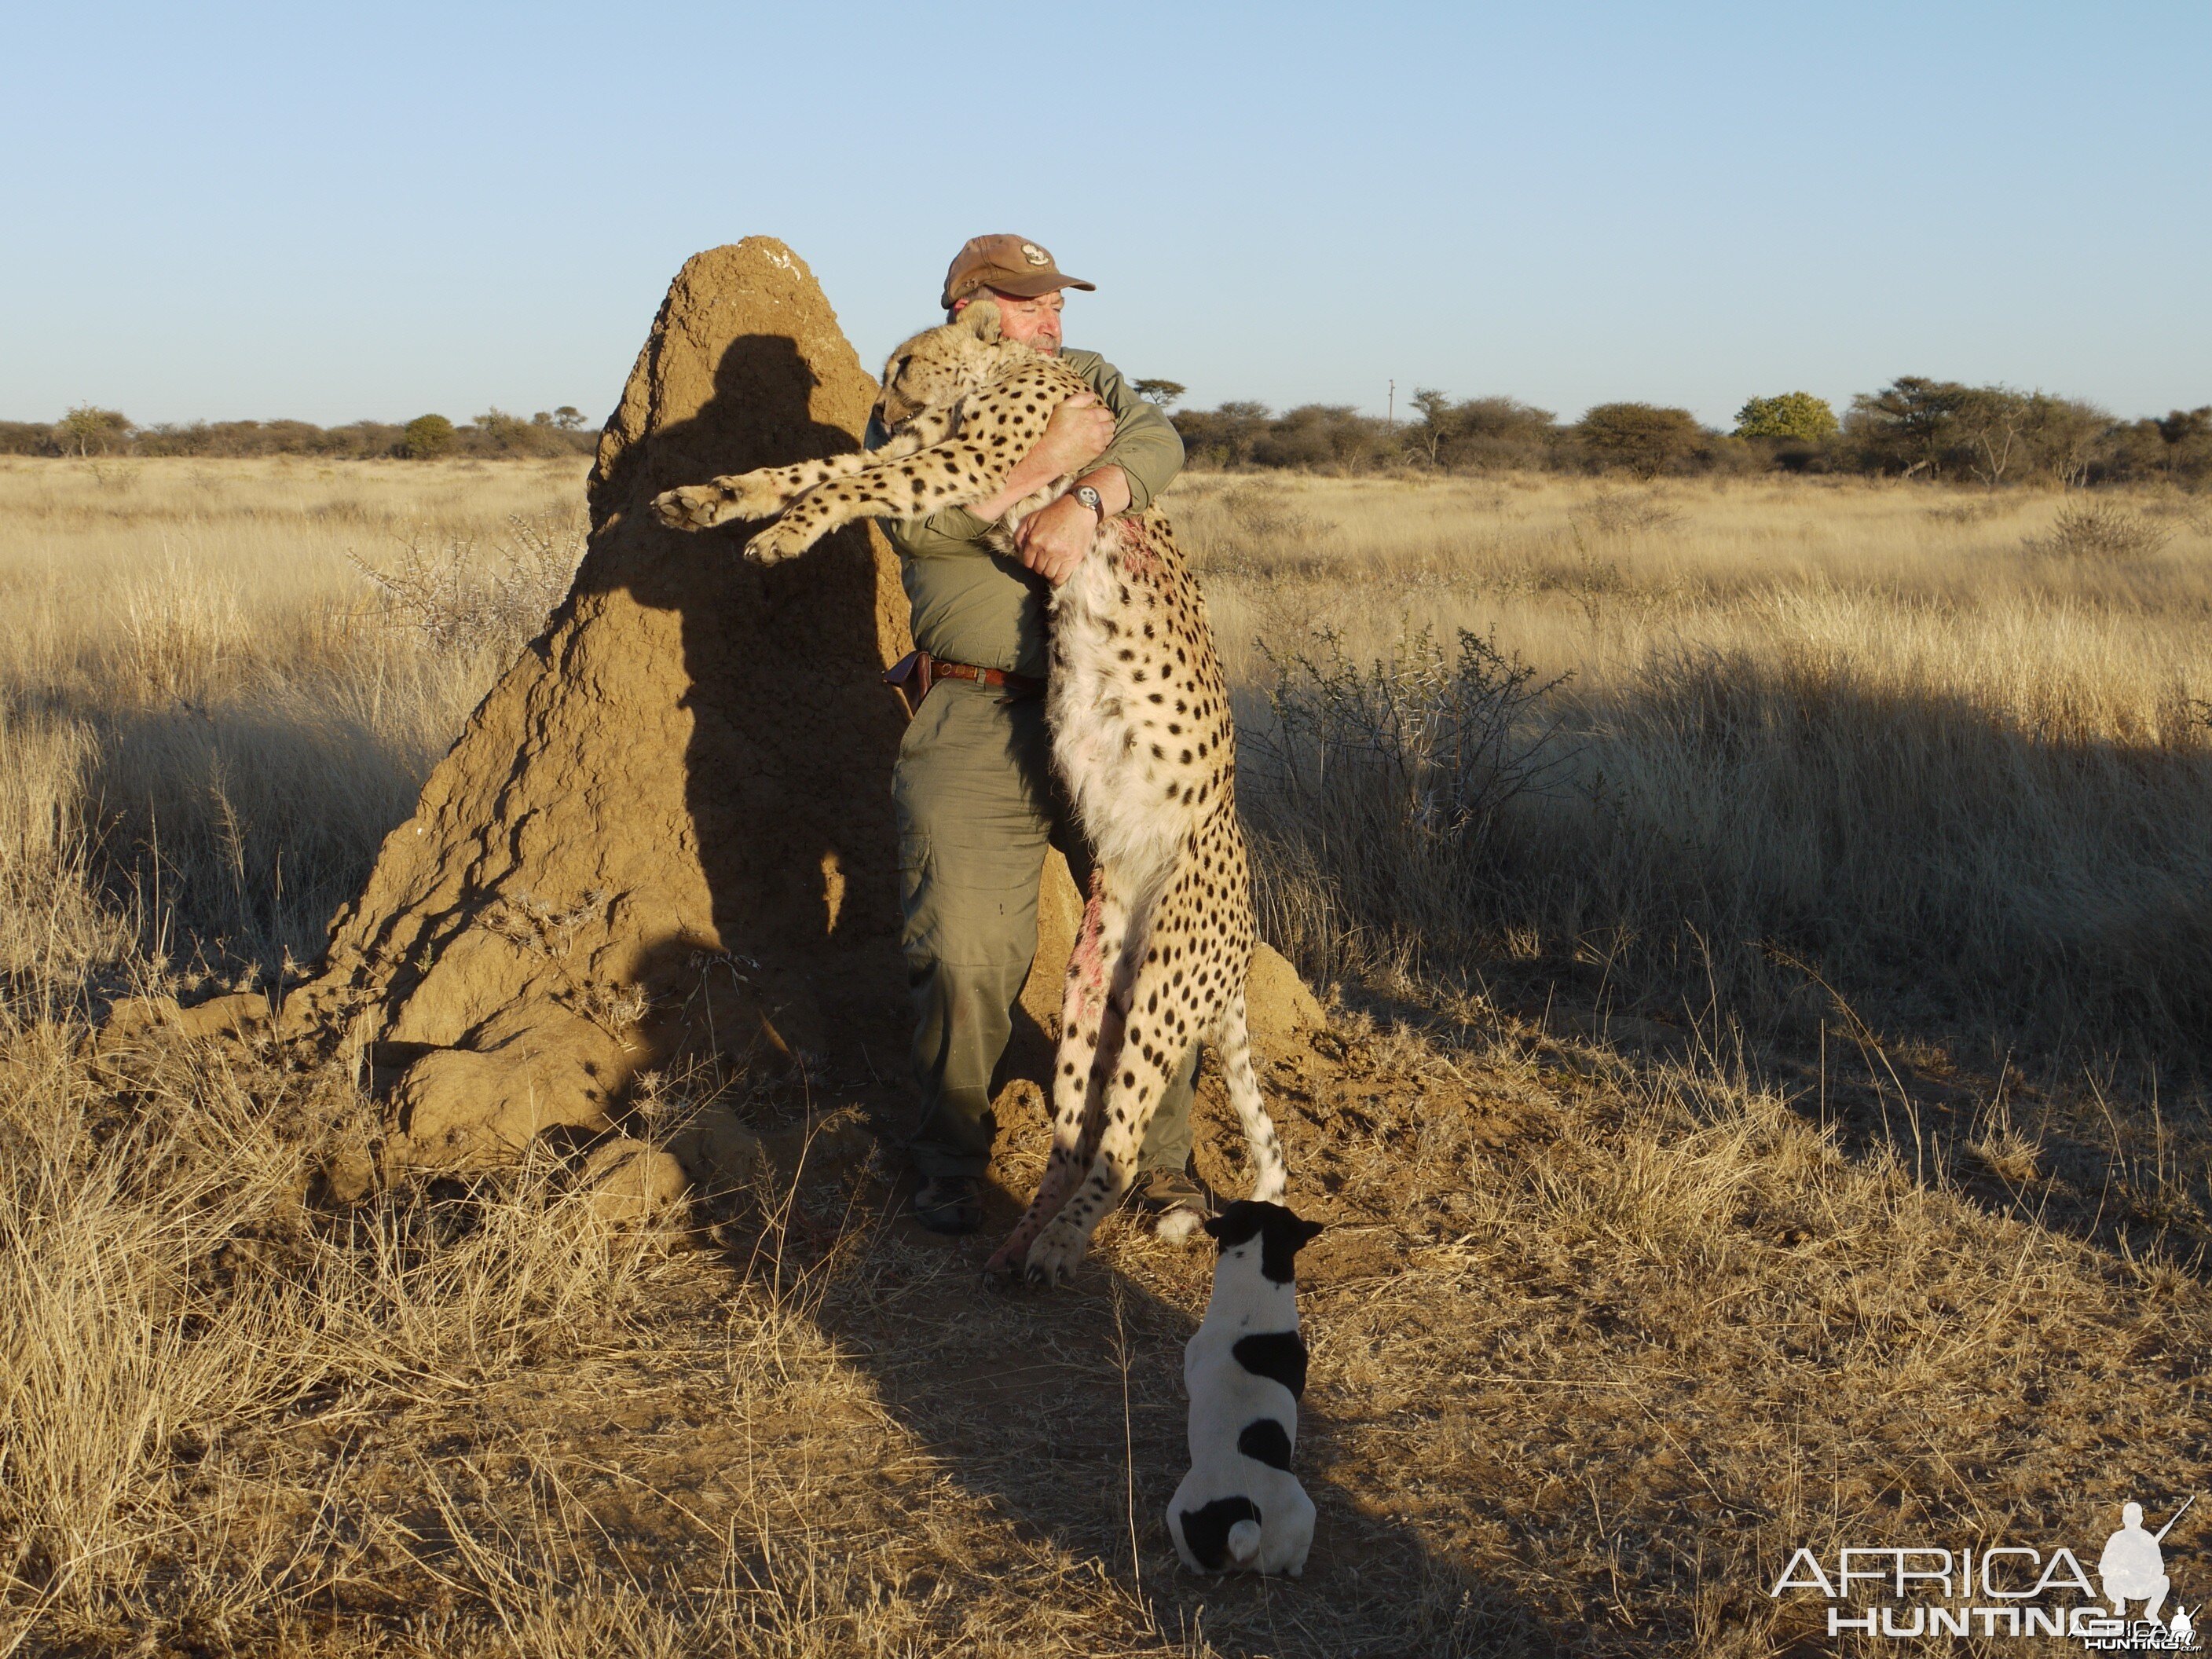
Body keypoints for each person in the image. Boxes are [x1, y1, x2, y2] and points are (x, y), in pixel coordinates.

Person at [869, 233, 1208, 1235]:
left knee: (1157, 931)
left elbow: (1157, 444)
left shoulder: (1089, 377)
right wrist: (1051, 461)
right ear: (967, 313)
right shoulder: (913, 396)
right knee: (965, 949)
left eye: (1056, 303)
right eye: (1025, 305)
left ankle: (1162, 1165)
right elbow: (918, 523)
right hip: (980, 706)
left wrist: (1084, 497)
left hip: (1113, 706)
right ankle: (947, 1163)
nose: (1050, 321)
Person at [2098, 1502, 2172, 1626]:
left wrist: (2146, 1571)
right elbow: (2103, 1568)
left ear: (2141, 1520)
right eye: (2129, 1519)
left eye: (2134, 1520)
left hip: (2142, 1587)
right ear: (2124, 1519)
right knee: (2108, 1580)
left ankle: (2151, 1612)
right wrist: (2118, 1571)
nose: (2132, 1523)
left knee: (2164, 1581)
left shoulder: (2148, 1539)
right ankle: (2119, 1603)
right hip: (2122, 1586)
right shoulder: (2116, 1539)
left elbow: (2160, 1568)